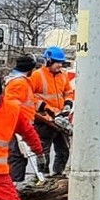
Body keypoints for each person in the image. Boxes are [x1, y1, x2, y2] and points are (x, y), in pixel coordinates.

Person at [29, 47, 75, 176]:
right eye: (57, 62)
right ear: (48, 61)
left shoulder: (63, 75)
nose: (60, 65)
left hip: (60, 117)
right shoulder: (37, 75)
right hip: (44, 119)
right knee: (44, 150)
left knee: (64, 149)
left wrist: (67, 104)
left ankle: (58, 173)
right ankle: (43, 176)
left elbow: (68, 92)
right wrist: (41, 106)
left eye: (61, 62)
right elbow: (28, 95)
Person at [4, 54, 43, 183]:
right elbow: (13, 106)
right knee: (17, 156)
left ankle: (16, 183)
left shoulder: (22, 81)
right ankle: (14, 184)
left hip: (22, 124)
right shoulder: (18, 83)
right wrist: (19, 125)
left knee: (21, 155)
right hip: (18, 126)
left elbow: (26, 102)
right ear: (30, 68)